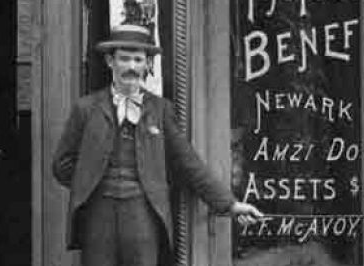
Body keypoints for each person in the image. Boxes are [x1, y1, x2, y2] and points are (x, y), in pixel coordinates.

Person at [52, 24, 265, 266]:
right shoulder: (86, 109)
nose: (131, 67)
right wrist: (90, 182)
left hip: (142, 212)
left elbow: (188, 163)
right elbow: (62, 164)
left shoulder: (160, 110)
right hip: (98, 217)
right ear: (110, 62)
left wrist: (230, 204)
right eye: (124, 59)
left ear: (147, 64)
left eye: (138, 59)